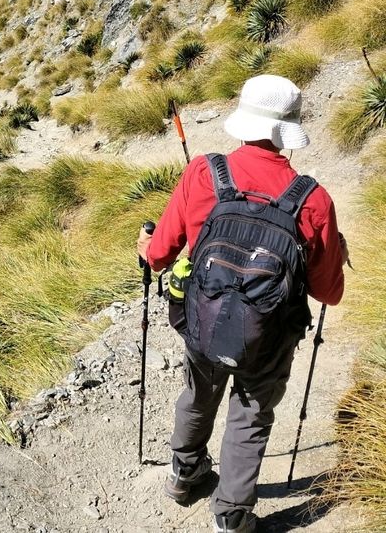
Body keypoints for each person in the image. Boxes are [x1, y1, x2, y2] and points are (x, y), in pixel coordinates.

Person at [137, 74, 347, 533]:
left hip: (203, 321)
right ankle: (231, 517)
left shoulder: (204, 173)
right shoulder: (313, 201)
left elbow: (158, 256)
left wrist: (146, 245)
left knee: (197, 393)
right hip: (269, 336)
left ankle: (185, 473)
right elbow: (328, 291)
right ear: (287, 131)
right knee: (250, 415)